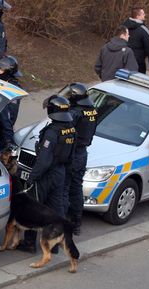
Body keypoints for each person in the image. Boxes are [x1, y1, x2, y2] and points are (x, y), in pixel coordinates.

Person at [17, 95, 76, 253]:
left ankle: (29, 243)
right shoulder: (70, 128)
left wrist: (32, 177)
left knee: (33, 208)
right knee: (57, 209)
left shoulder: (52, 132)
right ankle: (55, 244)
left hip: (46, 175)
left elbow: (43, 161)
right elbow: (71, 155)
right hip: (60, 173)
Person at [59, 83, 97, 236]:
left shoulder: (75, 113)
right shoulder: (92, 111)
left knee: (64, 189)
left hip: (73, 154)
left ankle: (62, 224)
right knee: (76, 188)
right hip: (83, 154)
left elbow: (65, 132)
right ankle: (76, 223)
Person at [123, 6, 149, 74]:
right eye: (143, 14)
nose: (145, 15)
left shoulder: (123, 27)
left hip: (123, 60)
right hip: (138, 63)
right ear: (137, 16)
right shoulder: (144, 30)